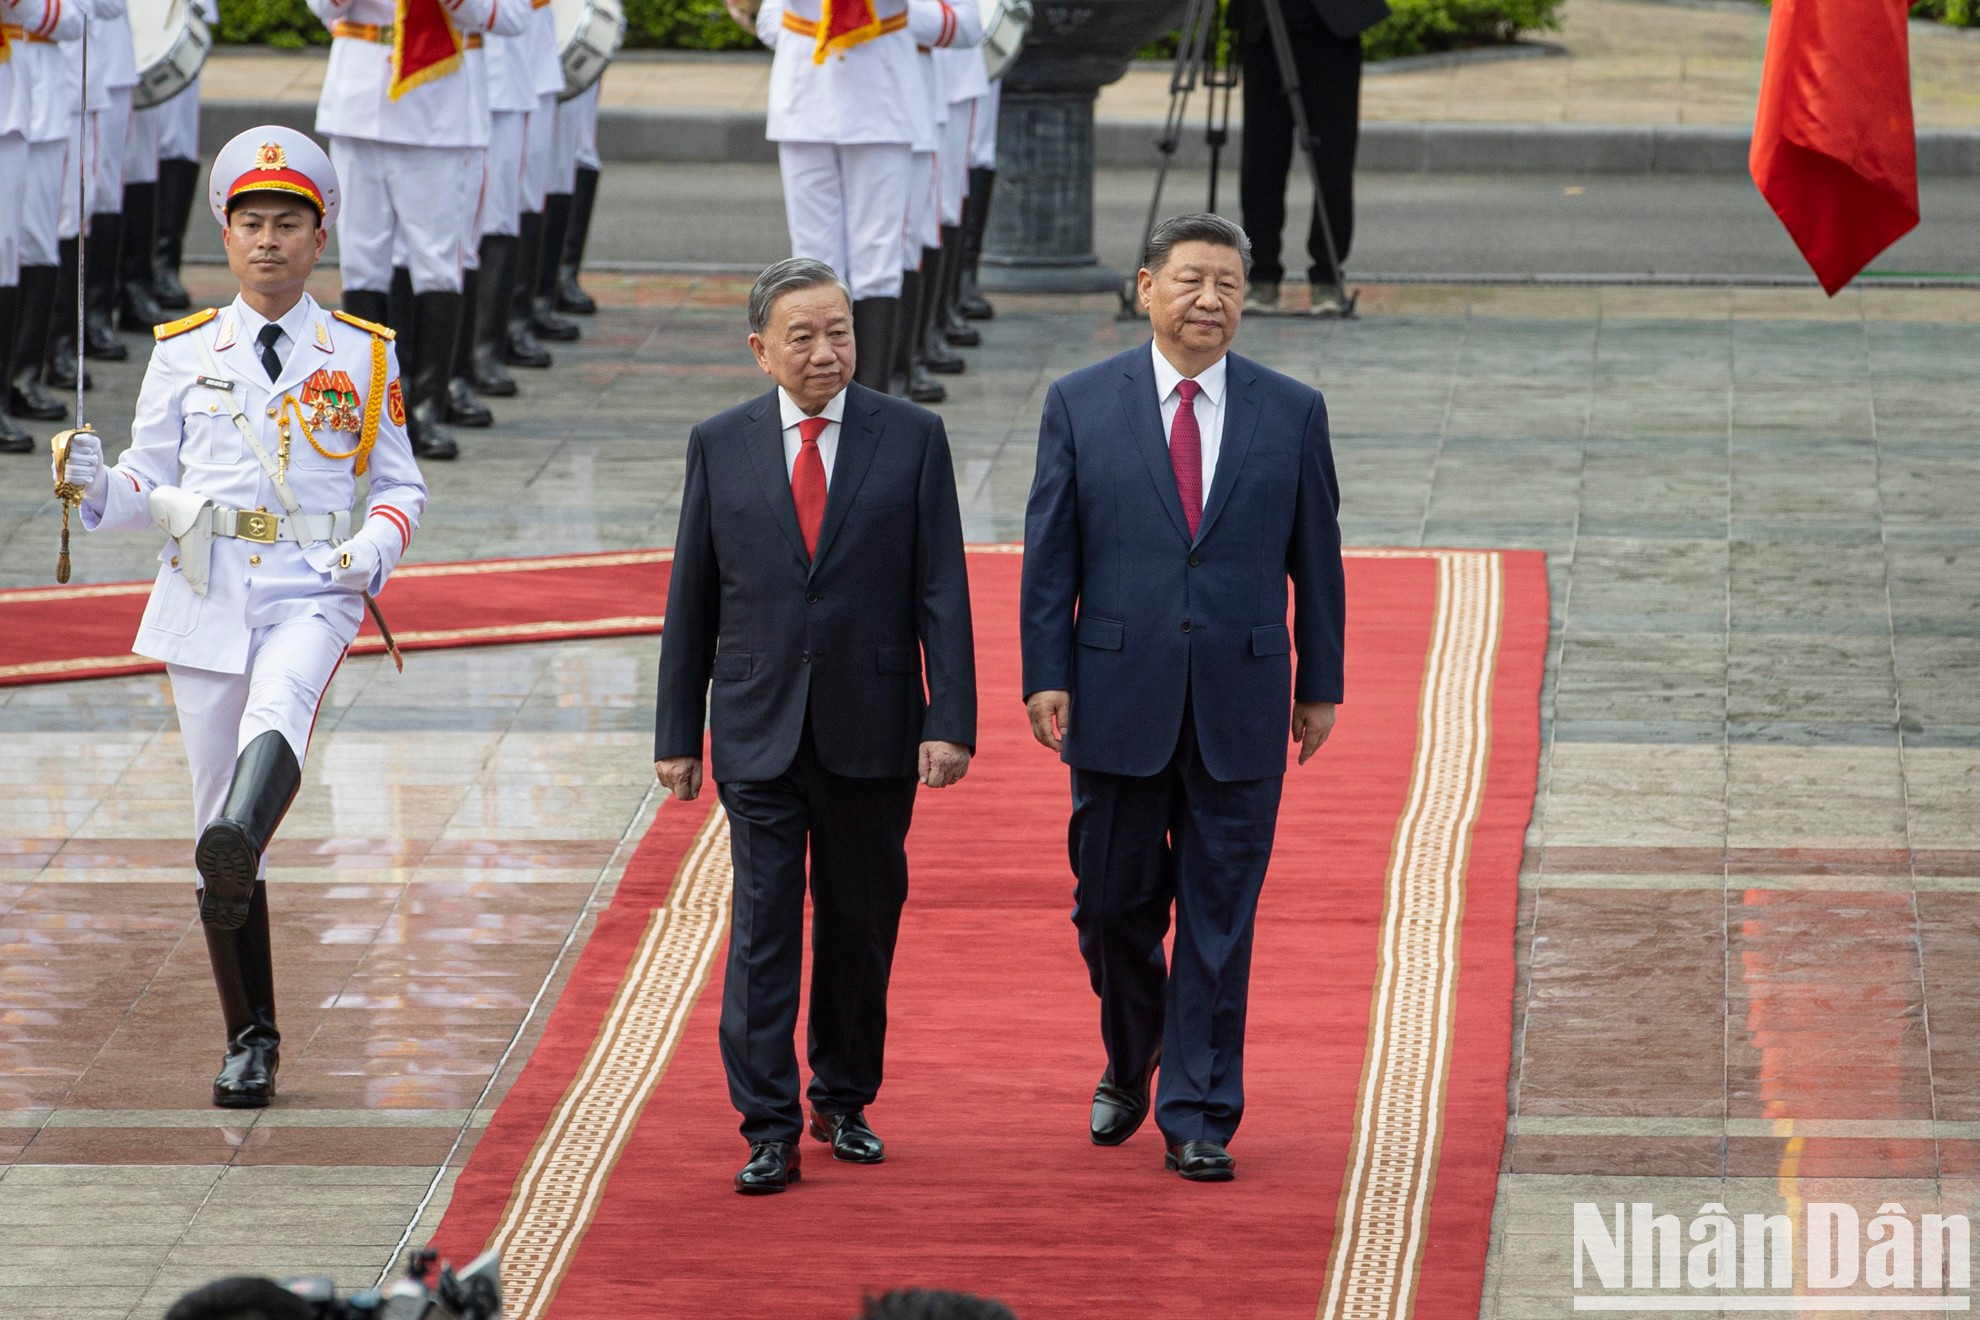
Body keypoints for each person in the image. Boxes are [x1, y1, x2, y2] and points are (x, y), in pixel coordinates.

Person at [53, 126, 428, 1106]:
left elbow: (400, 487)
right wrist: (97, 486)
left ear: (319, 236)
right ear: (226, 234)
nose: (269, 241)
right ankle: (250, 1036)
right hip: (204, 582)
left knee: (285, 704)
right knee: (214, 818)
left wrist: (370, 551)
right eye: (251, 223)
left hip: (312, 580)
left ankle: (238, 837)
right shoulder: (184, 352)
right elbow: (148, 483)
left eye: (289, 224)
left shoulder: (361, 352)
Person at [1018, 212, 1344, 1181]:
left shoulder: (1291, 410)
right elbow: (1052, 556)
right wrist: (1046, 671)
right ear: (1145, 287)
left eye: (1230, 286)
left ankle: (1199, 1111)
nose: (1211, 301)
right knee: (1110, 907)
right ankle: (1134, 1052)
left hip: (1240, 701)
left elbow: (1315, 561)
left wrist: (1319, 682)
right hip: (1117, 699)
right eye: (1192, 281)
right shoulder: (1081, 402)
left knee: (1217, 920)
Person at [654, 256, 975, 1194]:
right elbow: (692, 599)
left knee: (860, 921)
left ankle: (843, 1099)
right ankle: (768, 1125)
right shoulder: (720, 443)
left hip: (873, 724)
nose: (827, 350)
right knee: (761, 928)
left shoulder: (912, 437)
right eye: (803, 336)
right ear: (761, 350)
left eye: (839, 331)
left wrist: (948, 716)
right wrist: (678, 734)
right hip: (757, 725)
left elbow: (941, 590)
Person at [306, 0, 529, 459]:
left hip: (439, 107)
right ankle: (366, 409)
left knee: (436, 263)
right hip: (360, 98)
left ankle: (426, 408)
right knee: (361, 263)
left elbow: (514, 16)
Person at [755, 0, 919, 392]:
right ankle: (816, 394)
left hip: (880, 85)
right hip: (806, 83)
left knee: (877, 257)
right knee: (811, 257)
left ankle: (873, 403)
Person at [1230, 0, 1388, 315]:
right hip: (1264, 23)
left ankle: (1327, 274)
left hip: (1330, 26)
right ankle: (1262, 274)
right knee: (1262, 159)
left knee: (1333, 160)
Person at [0, 0, 85, 452]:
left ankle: (20, 378)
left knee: (25, 245)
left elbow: (76, 18)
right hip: (19, 85)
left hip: (30, 98)